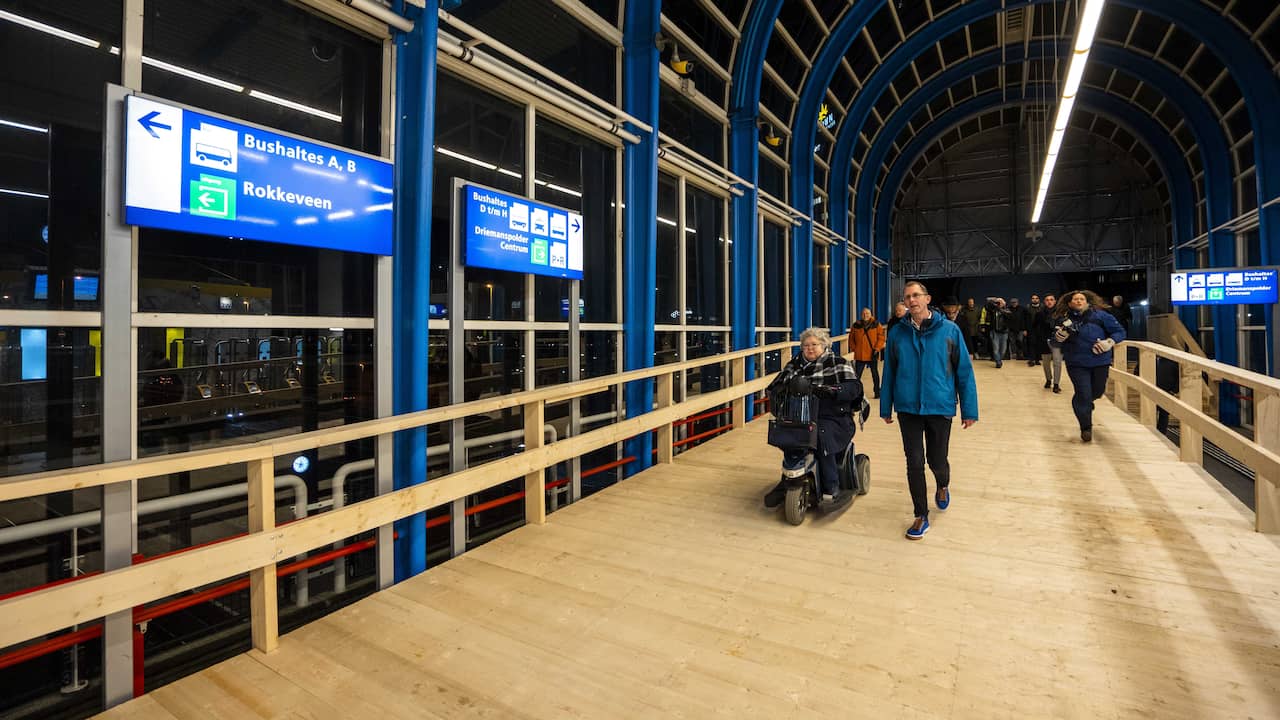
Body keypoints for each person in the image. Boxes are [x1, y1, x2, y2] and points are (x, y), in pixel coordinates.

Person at [881, 281, 979, 540]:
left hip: (939, 405)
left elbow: (964, 372)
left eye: (916, 295)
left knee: (937, 460)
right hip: (908, 407)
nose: (911, 300)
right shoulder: (897, 333)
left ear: (927, 299)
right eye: (907, 297)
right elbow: (889, 371)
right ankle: (920, 515)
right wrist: (885, 405)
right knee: (914, 462)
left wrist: (969, 409)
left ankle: (943, 484)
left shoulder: (950, 330)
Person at [764, 328, 863, 507]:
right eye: (805, 346)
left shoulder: (838, 363)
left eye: (814, 345)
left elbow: (854, 388)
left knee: (820, 436)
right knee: (787, 435)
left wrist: (831, 390)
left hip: (833, 417)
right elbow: (774, 386)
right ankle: (788, 481)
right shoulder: (794, 365)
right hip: (800, 415)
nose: (809, 348)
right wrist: (783, 389)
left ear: (824, 345)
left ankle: (831, 486)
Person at [1051, 290, 1127, 442]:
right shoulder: (1063, 320)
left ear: (1087, 302)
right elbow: (1054, 342)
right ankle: (1086, 427)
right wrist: (1058, 338)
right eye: (1075, 299)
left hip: (1100, 361)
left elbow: (1120, 332)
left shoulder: (1101, 316)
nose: (1079, 301)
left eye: (1082, 299)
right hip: (1076, 363)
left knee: (1097, 392)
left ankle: (1086, 403)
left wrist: (1109, 342)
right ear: (1069, 303)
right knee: (1083, 393)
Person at [847, 307, 885, 398]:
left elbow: (881, 338)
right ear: (861, 315)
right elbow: (851, 339)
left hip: (872, 353)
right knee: (857, 375)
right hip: (860, 355)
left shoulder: (876, 324)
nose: (865, 315)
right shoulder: (856, 325)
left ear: (871, 314)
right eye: (864, 313)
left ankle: (877, 392)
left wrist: (877, 349)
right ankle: (856, 393)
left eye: (867, 313)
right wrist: (854, 349)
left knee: (875, 374)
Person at [1032, 294, 1063, 393]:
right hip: (1043, 341)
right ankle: (1048, 380)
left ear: (1055, 301)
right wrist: (1038, 338)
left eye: (1051, 300)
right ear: (1044, 302)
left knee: (1057, 363)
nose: (1049, 302)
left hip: (1057, 341)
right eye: (1047, 300)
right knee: (1046, 363)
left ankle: (1056, 384)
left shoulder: (1060, 314)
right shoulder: (1040, 314)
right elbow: (1034, 326)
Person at [981, 297, 1012, 367]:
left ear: (1004, 303)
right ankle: (998, 361)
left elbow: (1008, 315)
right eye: (998, 303)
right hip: (995, 332)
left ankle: (999, 359)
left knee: (1003, 350)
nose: (999, 304)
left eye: (1000, 302)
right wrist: (994, 300)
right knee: (995, 349)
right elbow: (986, 305)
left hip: (1004, 333)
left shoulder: (1007, 310)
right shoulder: (993, 310)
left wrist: (1000, 308)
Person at [1024, 294, 1043, 365]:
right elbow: (1025, 319)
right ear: (1031, 300)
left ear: (1039, 299)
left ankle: (1037, 360)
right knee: (1031, 344)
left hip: (1040, 329)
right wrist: (1025, 329)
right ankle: (1031, 360)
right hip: (1031, 329)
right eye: (1033, 298)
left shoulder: (1042, 307)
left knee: (1038, 344)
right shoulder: (1027, 308)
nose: (1035, 299)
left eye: (1036, 298)